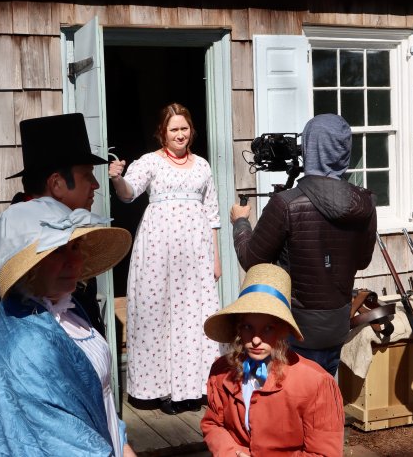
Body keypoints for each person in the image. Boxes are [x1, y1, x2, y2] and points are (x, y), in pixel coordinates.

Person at [0, 198, 137, 456]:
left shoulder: (68, 309)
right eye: (58, 251)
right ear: (30, 268)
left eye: (75, 247)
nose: (74, 261)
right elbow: (61, 442)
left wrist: (123, 444)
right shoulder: (25, 341)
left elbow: (101, 395)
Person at [230, 114, 377, 376]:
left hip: (294, 328)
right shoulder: (365, 202)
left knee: (290, 404)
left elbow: (252, 260)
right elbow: (363, 261)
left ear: (309, 147)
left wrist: (240, 224)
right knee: (322, 400)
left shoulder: (286, 203)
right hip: (337, 324)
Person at [108, 103, 221, 414]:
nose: (180, 134)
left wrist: (216, 258)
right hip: (158, 251)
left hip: (196, 254)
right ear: (162, 133)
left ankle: (194, 388)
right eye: (174, 129)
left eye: (184, 128)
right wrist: (117, 178)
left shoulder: (202, 165)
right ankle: (162, 390)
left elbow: (212, 214)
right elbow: (128, 193)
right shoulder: (150, 163)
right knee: (160, 317)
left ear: (191, 131)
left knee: (194, 318)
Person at [201, 263, 345, 456]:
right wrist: (228, 451)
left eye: (267, 328)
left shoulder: (316, 383)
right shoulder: (222, 371)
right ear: (238, 328)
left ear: (283, 330)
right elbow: (213, 424)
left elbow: (324, 453)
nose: (256, 339)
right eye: (248, 327)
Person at [0, 113, 108, 336]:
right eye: (87, 175)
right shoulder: (13, 245)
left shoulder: (69, 231)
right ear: (57, 184)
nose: (96, 185)